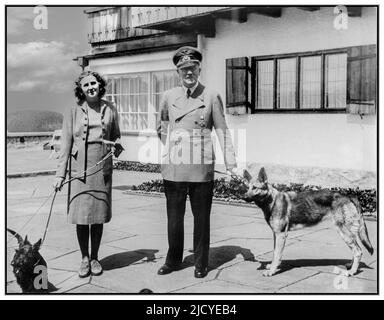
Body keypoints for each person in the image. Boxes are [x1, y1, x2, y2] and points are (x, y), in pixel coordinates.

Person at [156, 46, 238, 278]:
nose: (188, 73)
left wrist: (230, 165)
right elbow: (161, 127)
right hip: (174, 167)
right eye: (184, 69)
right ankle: (173, 260)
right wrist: (173, 147)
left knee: (201, 218)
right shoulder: (168, 96)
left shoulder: (211, 95)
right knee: (174, 219)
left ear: (199, 68)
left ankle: (201, 262)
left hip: (201, 167)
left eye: (192, 68)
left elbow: (223, 131)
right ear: (178, 72)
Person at [53, 70, 122, 278]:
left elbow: (116, 135)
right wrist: (60, 175)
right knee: (82, 217)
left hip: (102, 167)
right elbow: (65, 144)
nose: (91, 87)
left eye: (94, 83)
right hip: (79, 168)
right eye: (86, 85)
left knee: (98, 215)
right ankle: (84, 258)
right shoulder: (72, 110)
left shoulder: (110, 108)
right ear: (81, 90)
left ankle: (95, 257)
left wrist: (117, 145)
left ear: (99, 85)